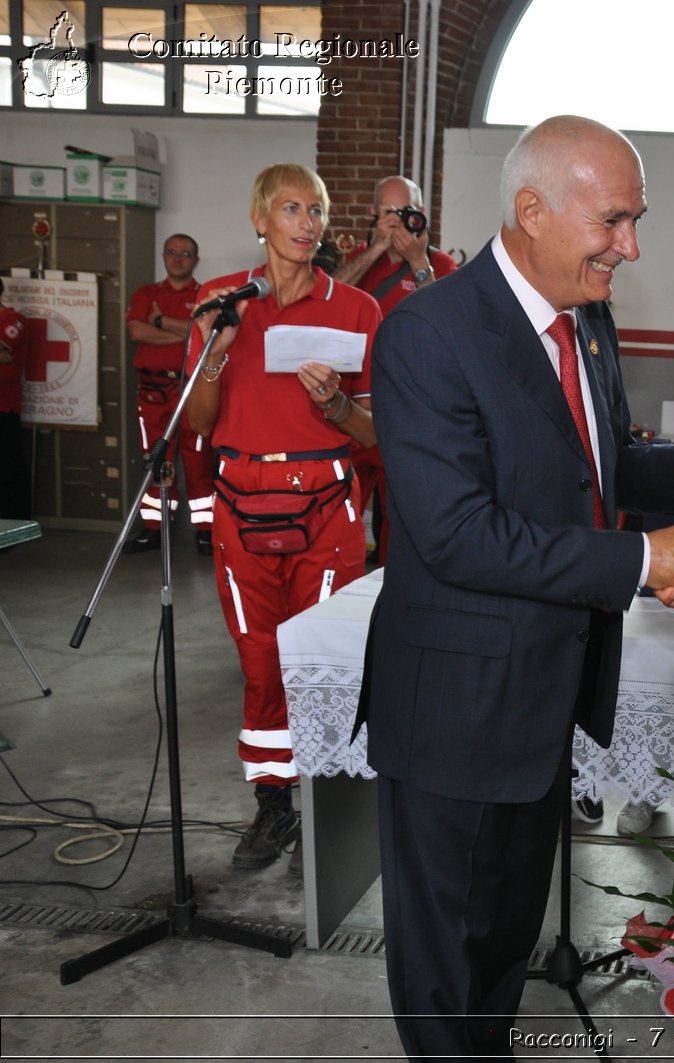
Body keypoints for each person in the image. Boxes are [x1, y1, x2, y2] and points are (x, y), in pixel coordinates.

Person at [360, 115, 674, 1060]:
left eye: (636, 220)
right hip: (456, 710)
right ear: (532, 210)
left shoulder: (585, 318)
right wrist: (649, 561)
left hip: (540, 700)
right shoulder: (428, 335)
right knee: (444, 965)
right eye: (615, 221)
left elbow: (591, 460)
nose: (632, 245)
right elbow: (458, 534)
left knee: (500, 947)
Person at [183, 164, 382, 874]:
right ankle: (274, 807)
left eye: (317, 210)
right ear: (259, 218)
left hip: (324, 504)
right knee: (261, 661)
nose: (306, 223)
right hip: (240, 502)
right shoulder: (223, 303)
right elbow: (199, 424)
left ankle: (332, 813)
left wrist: (333, 406)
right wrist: (216, 354)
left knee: (324, 660)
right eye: (291, 208)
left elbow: (373, 432)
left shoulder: (356, 308)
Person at [334, 176, 459, 565]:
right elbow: (328, 295)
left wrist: (417, 260)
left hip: (406, 408)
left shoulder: (439, 263)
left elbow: (448, 324)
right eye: (388, 211)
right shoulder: (357, 256)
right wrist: (377, 250)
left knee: (401, 511)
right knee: (340, 504)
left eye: (405, 211)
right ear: (373, 213)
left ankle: (393, 581)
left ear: (420, 213)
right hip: (349, 403)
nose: (397, 219)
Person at [125, 234, 216, 554]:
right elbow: (137, 331)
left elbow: (203, 335)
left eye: (186, 254)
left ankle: (206, 531)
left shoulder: (206, 295)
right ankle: (154, 529)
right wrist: (183, 332)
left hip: (192, 389)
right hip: (152, 392)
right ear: (164, 257)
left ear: (196, 260)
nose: (178, 259)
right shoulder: (146, 293)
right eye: (172, 253)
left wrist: (160, 321)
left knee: (199, 460)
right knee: (157, 461)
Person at [0, 278, 29, 519]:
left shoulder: (13, 320)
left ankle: (11, 525)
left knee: (7, 468)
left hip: (3, 404)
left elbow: (4, 354)